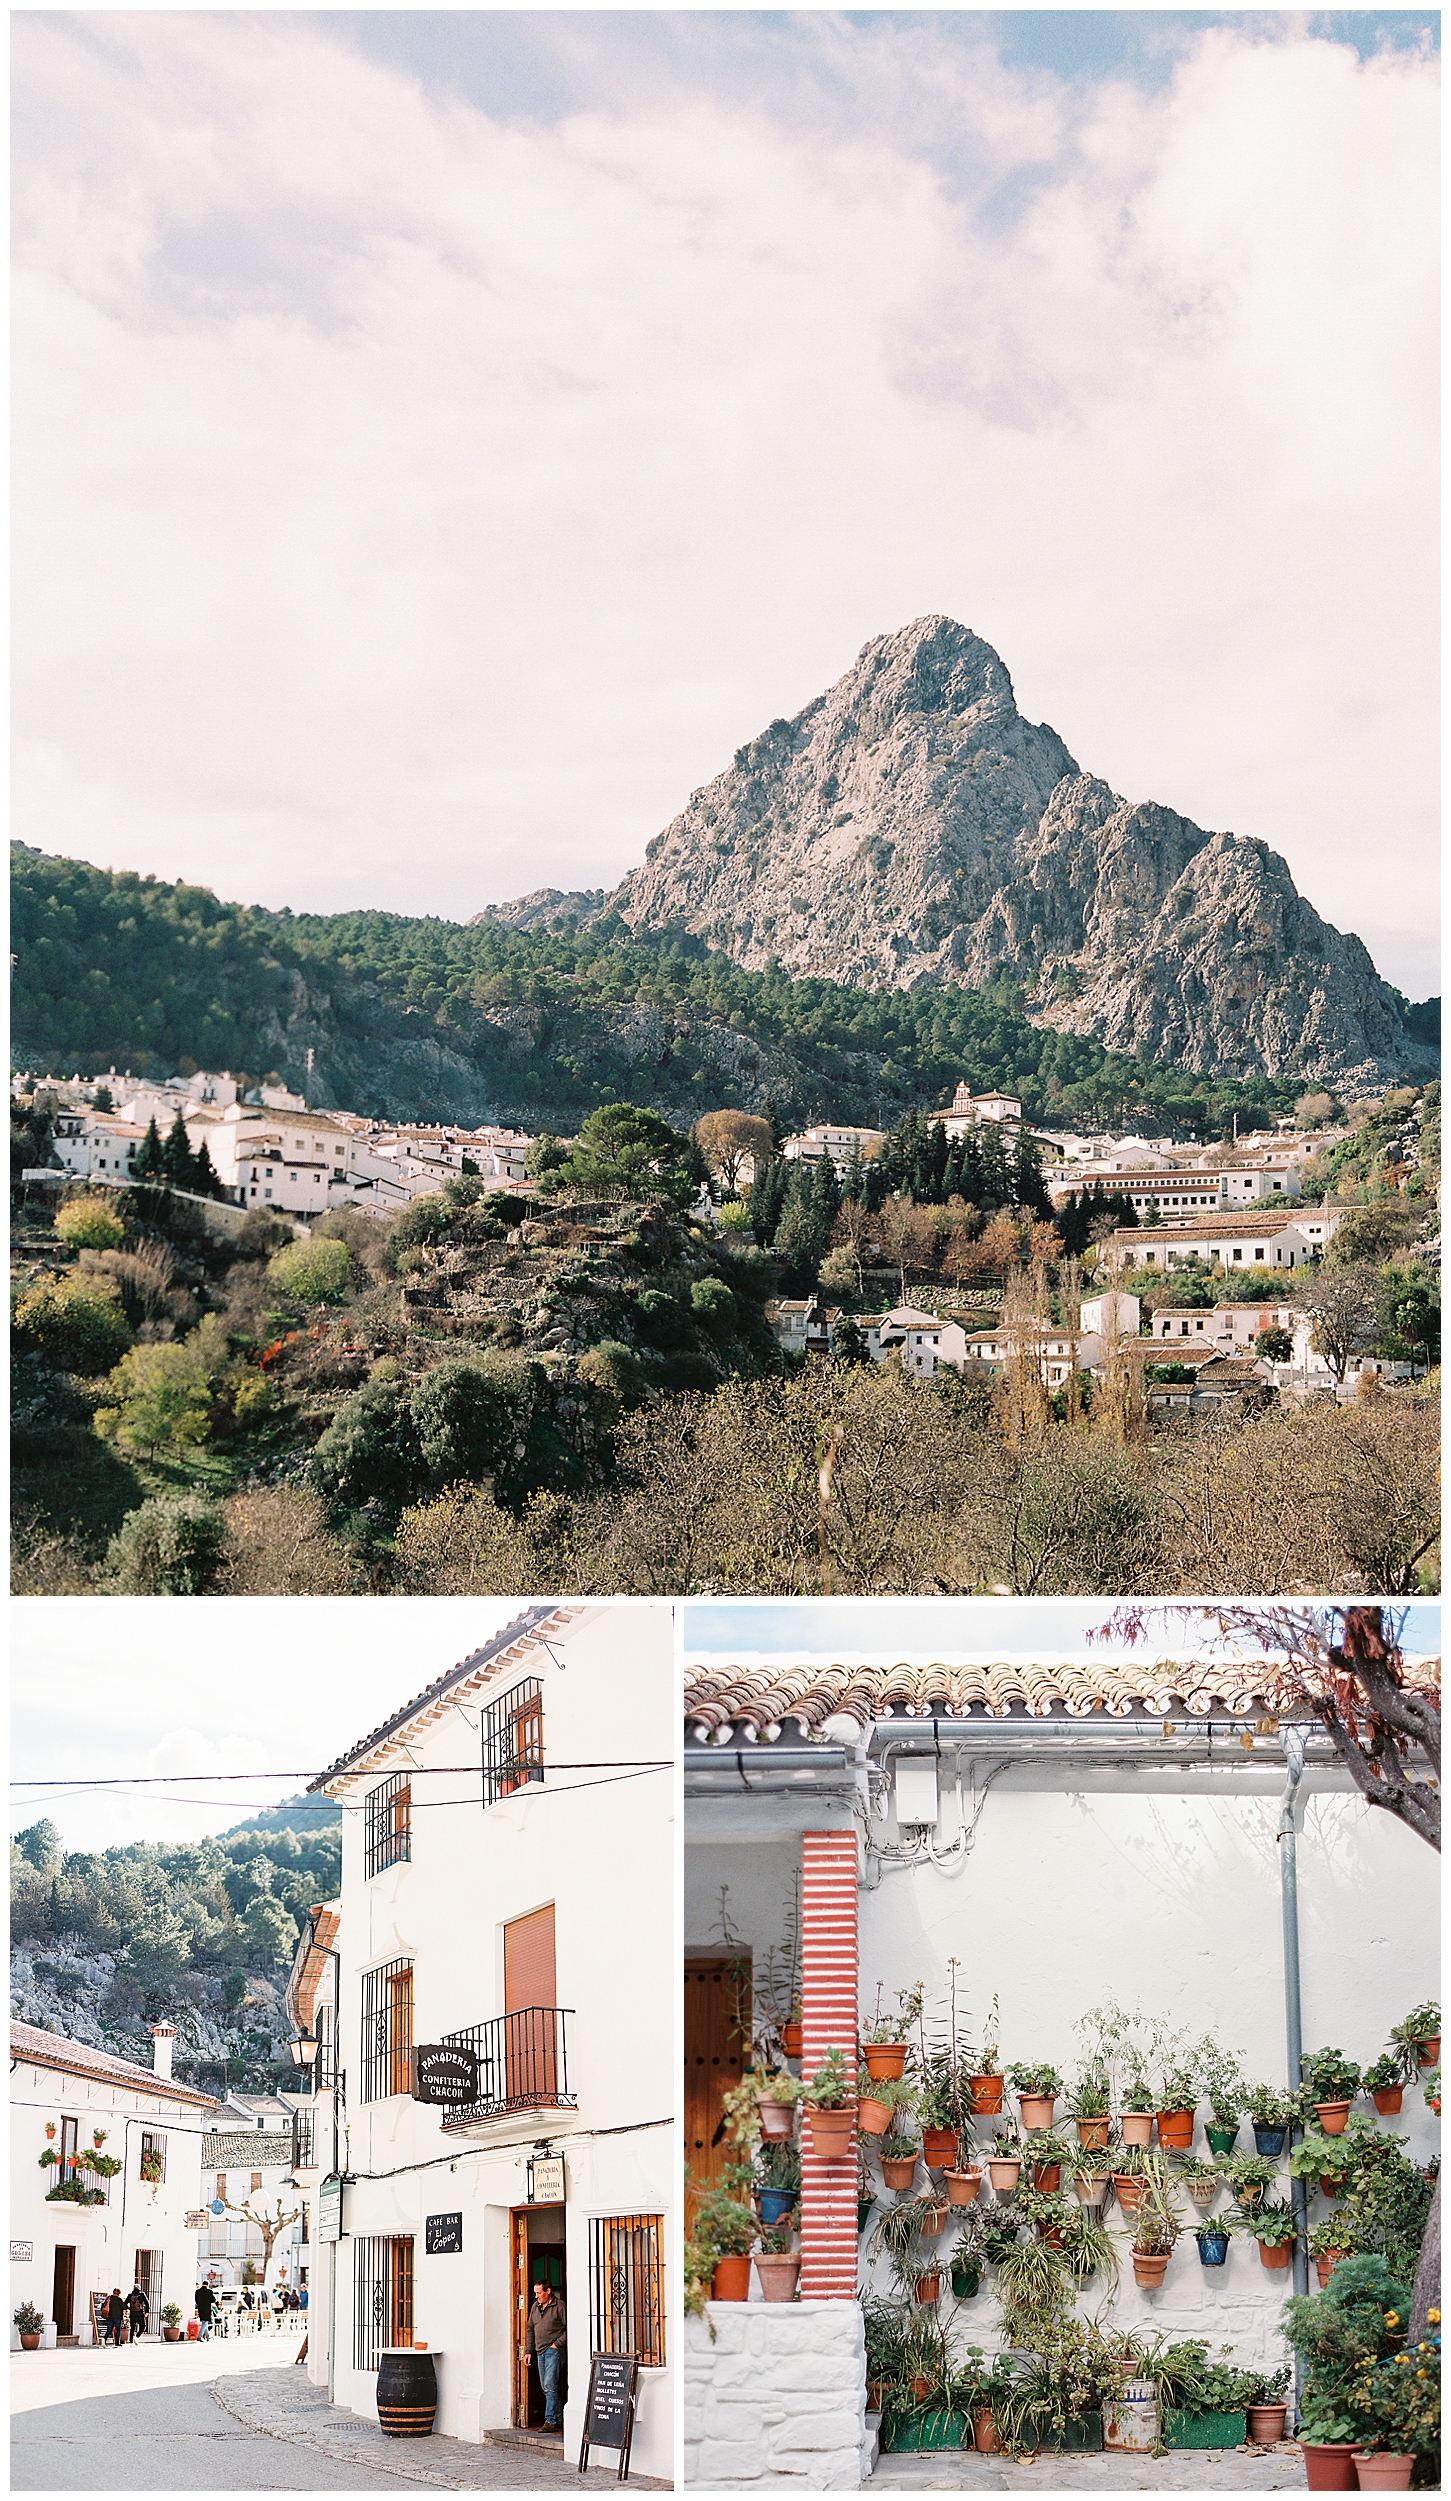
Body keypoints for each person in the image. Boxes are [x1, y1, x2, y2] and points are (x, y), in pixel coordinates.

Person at [524, 2279, 567, 2433]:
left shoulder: (560, 2306)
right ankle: (561, 2415)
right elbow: (530, 2329)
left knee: (550, 2386)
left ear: (548, 2291)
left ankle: (551, 2420)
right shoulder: (535, 2307)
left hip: (553, 2351)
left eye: (539, 2293)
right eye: (536, 2293)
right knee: (546, 2387)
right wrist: (528, 2351)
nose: (537, 2296)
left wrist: (557, 2344)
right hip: (539, 2351)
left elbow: (569, 2328)